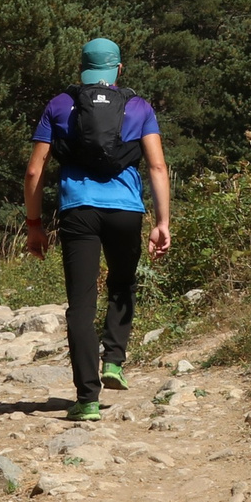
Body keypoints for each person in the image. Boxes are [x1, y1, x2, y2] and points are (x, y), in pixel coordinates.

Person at [24, 38, 171, 423]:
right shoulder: (138, 107)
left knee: (81, 304)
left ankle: (87, 399)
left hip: (78, 211)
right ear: (119, 69)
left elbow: (34, 171)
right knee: (122, 284)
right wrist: (162, 222)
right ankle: (115, 360)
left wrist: (34, 225)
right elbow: (156, 167)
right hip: (125, 212)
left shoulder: (59, 105)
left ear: (83, 71)